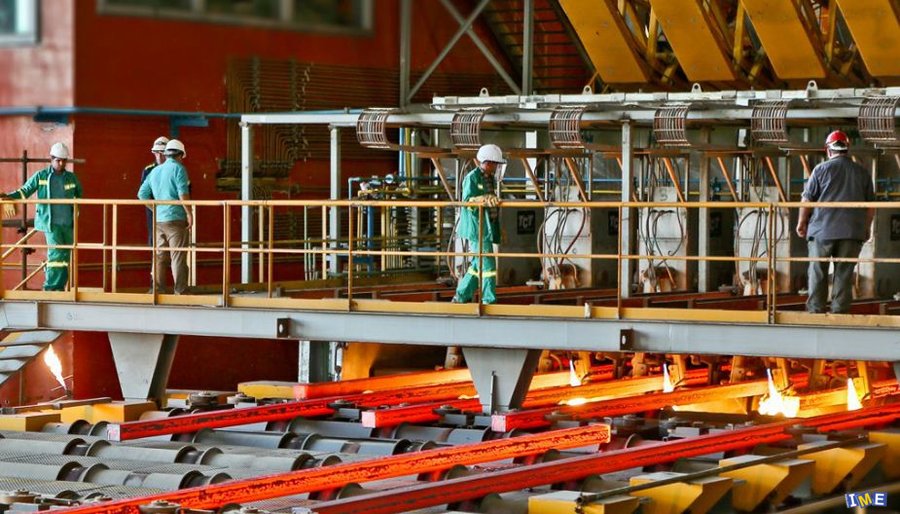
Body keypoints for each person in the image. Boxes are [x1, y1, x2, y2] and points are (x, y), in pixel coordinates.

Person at [796, 130, 875, 314]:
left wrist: (801, 222)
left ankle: (816, 311)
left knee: (817, 272)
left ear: (828, 150)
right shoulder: (862, 172)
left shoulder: (820, 170)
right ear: (847, 148)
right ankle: (839, 312)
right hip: (851, 232)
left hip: (822, 231)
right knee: (844, 274)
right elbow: (871, 206)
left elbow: (807, 199)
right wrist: (866, 228)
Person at [0, 143, 83, 291]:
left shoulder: (71, 178)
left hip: (68, 224)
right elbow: (25, 191)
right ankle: (51, 288)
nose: (61, 163)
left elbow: (79, 195)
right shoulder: (41, 176)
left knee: (65, 256)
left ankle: (59, 288)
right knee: (56, 255)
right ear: (51, 159)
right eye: (58, 160)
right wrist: (8, 197)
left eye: (64, 160)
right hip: (51, 224)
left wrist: (76, 213)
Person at [138, 139, 193, 294]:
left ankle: (158, 290)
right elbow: (183, 194)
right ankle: (181, 291)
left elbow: (142, 194)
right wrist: (189, 213)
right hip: (176, 219)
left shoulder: (155, 171)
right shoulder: (179, 169)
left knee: (159, 256)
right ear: (180, 155)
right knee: (177, 256)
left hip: (159, 220)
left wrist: (155, 209)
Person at [452, 144, 504, 304]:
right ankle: (488, 300)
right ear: (488, 163)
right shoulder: (472, 178)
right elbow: (467, 201)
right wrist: (480, 199)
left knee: (477, 265)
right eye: (495, 164)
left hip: (486, 227)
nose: (496, 167)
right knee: (488, 266)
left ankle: (461, 296)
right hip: (477, 228)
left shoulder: (489, 178)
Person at [141, 136, 169, 246]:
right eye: (157, 153)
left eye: (162, 153)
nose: (160, 156)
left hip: (173, 213)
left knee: (174, 244)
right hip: (154, 212)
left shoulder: (176, 169)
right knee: (156, 243)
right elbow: (143, 195)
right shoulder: (149, 170)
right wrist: (156, 209)